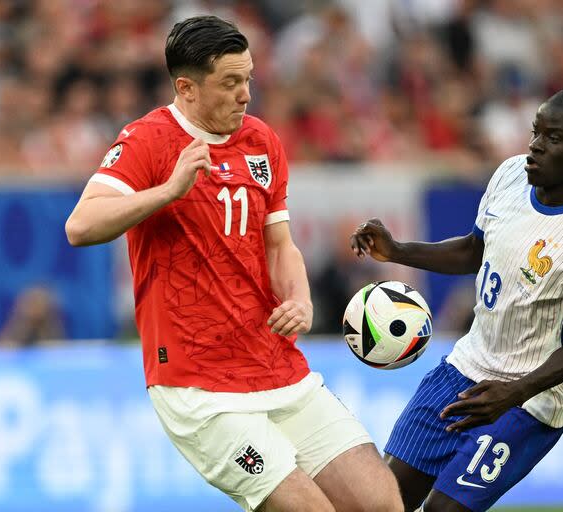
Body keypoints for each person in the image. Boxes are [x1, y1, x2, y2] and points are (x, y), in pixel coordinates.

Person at [65, 16, 401, 512]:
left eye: (248, 79)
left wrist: (300, 297)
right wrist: (167, 191)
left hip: (277, 367)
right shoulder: (148, 141)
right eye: (230, 82)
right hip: (199, 388)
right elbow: (81, 225)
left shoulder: (261, 141)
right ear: (187, 88)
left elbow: (280, 245)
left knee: (382, 505)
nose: (245, 95)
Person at [351, 88, 563, 512]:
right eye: (536, 132)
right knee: (384, 501)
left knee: (444, 510)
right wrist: (398, 251)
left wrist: (513, 393)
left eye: (553, 138)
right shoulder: (510, 175)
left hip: (530, 399)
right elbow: (472, 250)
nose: (535, 145)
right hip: (463, 369)